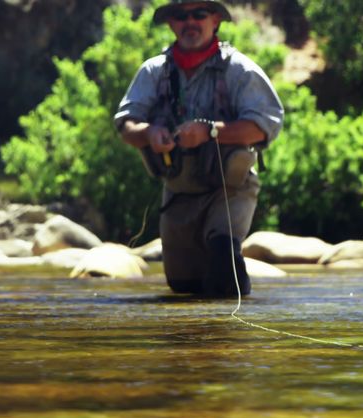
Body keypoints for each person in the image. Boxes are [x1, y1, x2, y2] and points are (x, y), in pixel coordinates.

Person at [114, 0, 284, 297]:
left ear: (215, 20)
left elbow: (264, 127)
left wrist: (210, 131)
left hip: (230, 189)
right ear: (171, 24)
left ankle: (230, 339)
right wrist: (149, 132)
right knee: (183, 287)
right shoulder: (154, 71)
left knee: (223, 262)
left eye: (199, 14)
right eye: (181, 16)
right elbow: (126, 125)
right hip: (179, 191)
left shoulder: (240, 70)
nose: (189, 21)